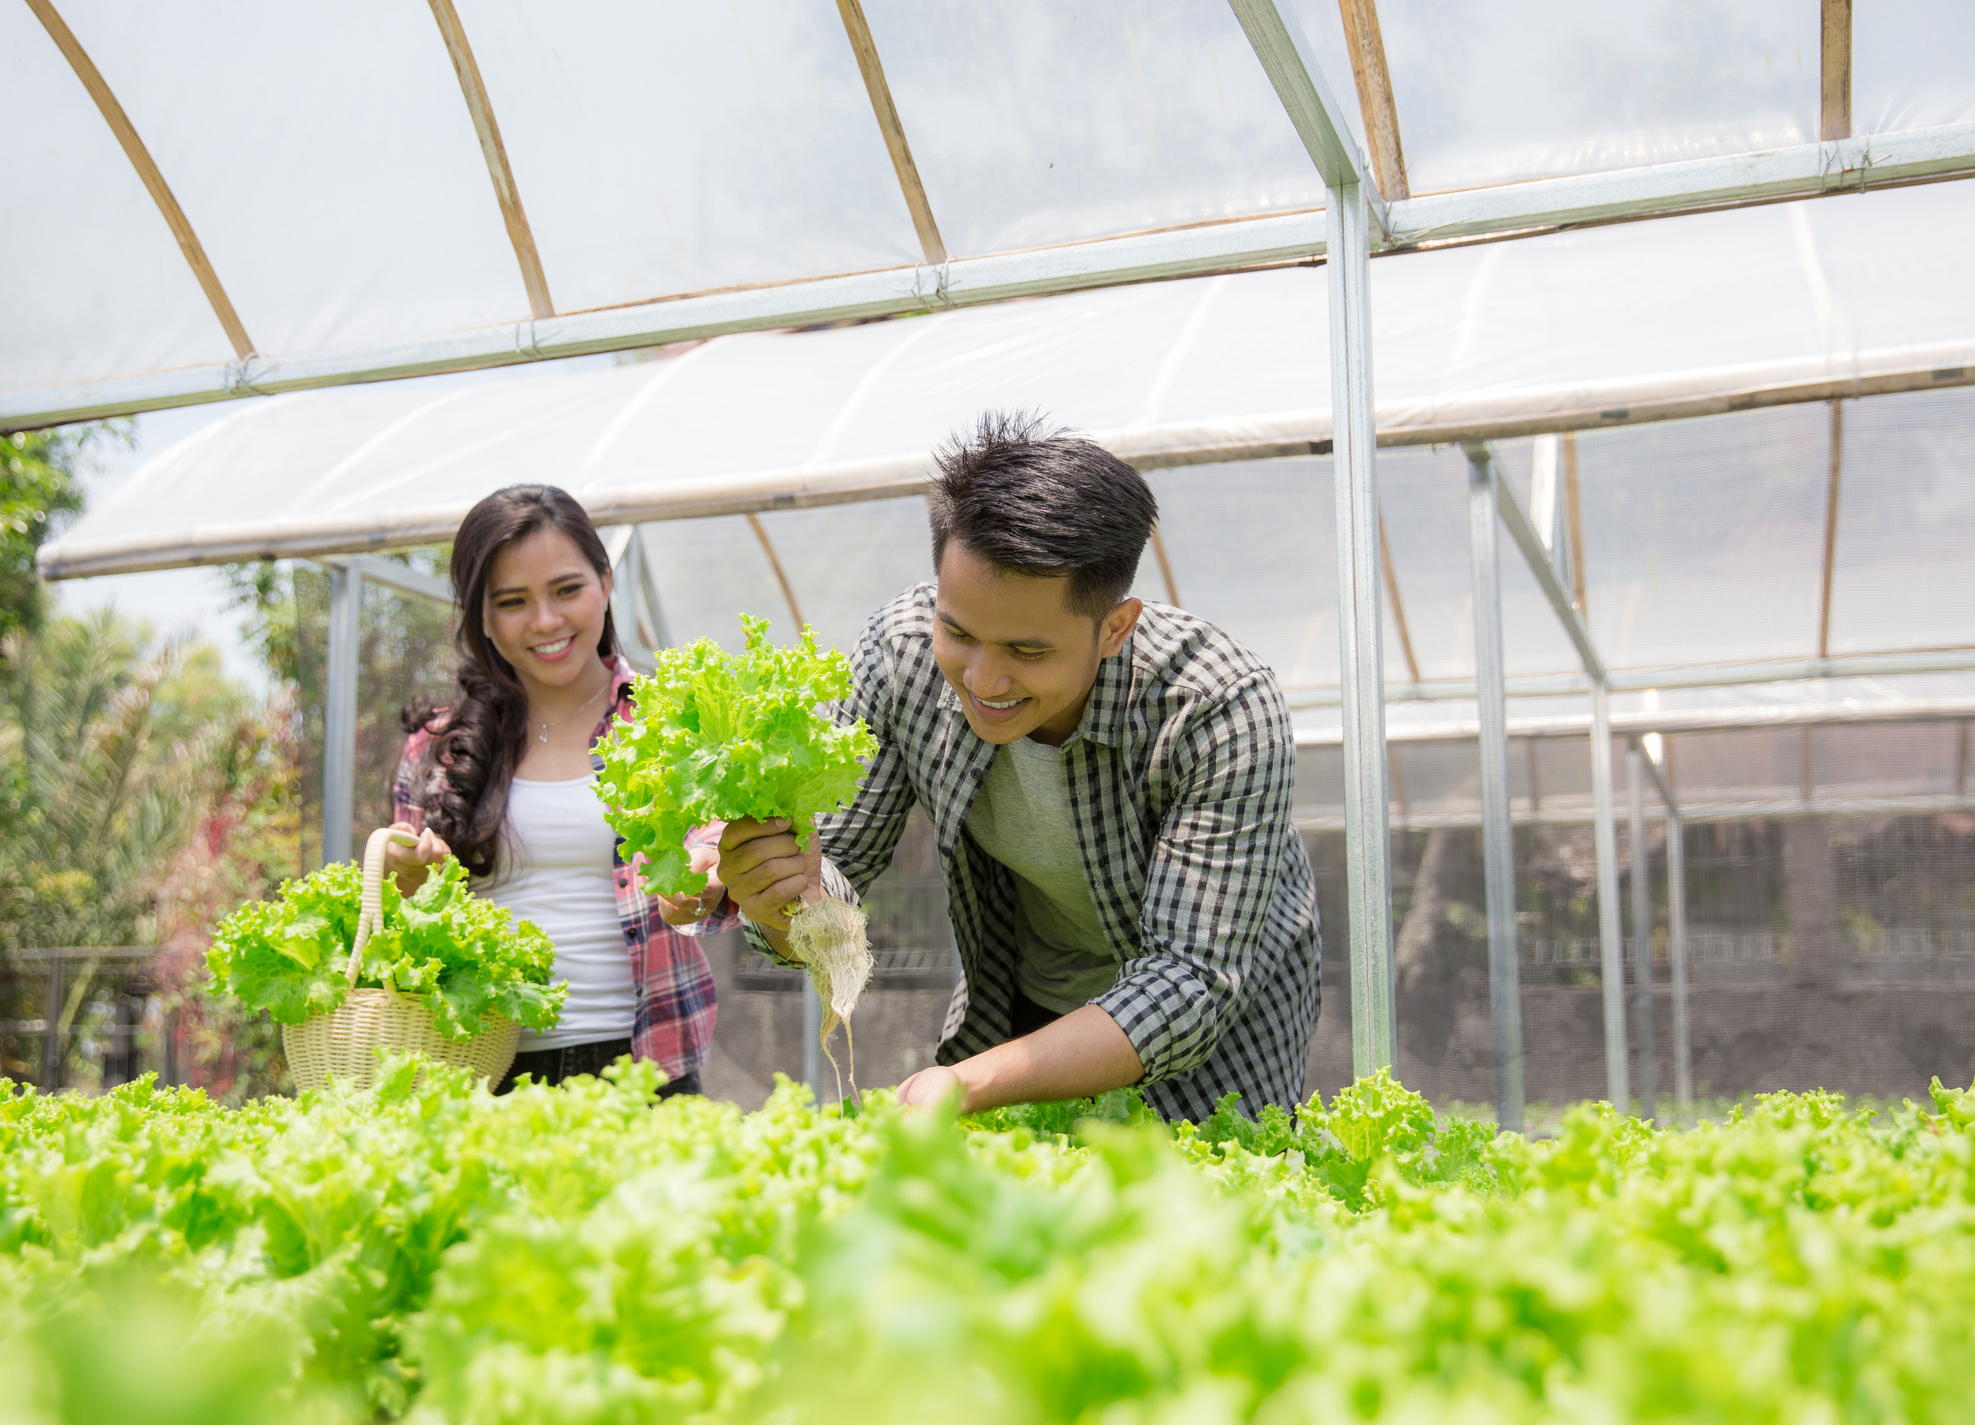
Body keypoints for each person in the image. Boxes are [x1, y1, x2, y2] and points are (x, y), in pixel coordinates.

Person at [712, 414, 1320, 1122]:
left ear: (1115, 627)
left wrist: (968, 1082)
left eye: (1027, 653)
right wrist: (781, 900)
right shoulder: (901, 655)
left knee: (1207, 1212)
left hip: (1216, 1019)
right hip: (1022, 1003)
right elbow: (833, 866)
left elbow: (1189, 979)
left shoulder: (1216, 705)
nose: (983, 679)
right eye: (958, 632)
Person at [381, 484, 731, 1095]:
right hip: (479, 1069)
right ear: (481, 618)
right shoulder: (435, 751)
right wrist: (404, 885)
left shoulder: (672, 723)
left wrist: (711, 875)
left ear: (605, 583)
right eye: (512, 601)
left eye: (567, 590)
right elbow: (405, 937)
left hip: (647, 1068)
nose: (546, 621)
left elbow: (717, 858)